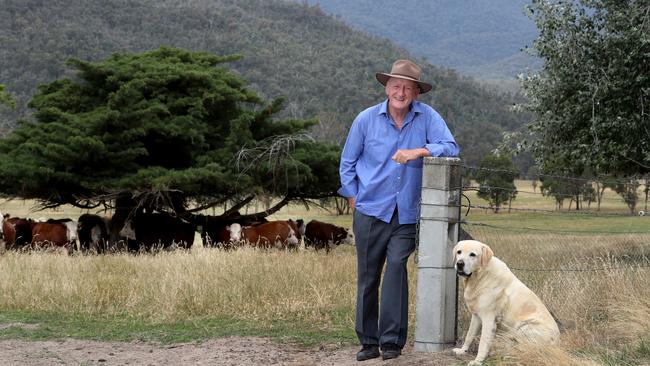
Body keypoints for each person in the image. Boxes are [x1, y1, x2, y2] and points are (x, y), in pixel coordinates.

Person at [338, 59, 459, 361]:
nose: (401, 92)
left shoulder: (428, 117)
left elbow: (450, 146)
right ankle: (368, 342)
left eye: (408, 87)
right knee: (368, 277)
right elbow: (347, 163)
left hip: (406, 213)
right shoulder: (365, 120)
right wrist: (354, 198)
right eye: (396, 85)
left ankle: (391, 342)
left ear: (416, 92)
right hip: (370, 211)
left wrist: (419, 151)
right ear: (386, 87)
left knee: (395, 269)